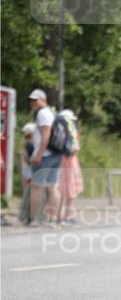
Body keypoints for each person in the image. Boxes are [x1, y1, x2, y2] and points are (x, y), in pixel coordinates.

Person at [28, 89, 61, 225]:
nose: (32, 103)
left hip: (45, 156)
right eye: (31, 100)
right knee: (53, 187)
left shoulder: (43, 113)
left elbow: (46, 135)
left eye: (35, 100)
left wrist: (39, 155)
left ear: (43, 99)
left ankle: (34, 220)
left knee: (37, 187)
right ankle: (52, 219)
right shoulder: (52, 112)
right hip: (56, 154)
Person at [57, 110, 84, 224]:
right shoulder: (72, 132)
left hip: (59, 161)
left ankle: (57, 215)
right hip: (70, 163)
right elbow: (75, 149)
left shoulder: (56, 130)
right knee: (70, 191)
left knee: (60, 190)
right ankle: (67, 217)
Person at [18, 123, 36, 225]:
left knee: (28, 194)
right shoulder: (31, 145)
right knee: (32, 195)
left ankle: (28, 216)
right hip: (32, 172)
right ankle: (30, 216)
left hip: (27, 172)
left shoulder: (25, 143)